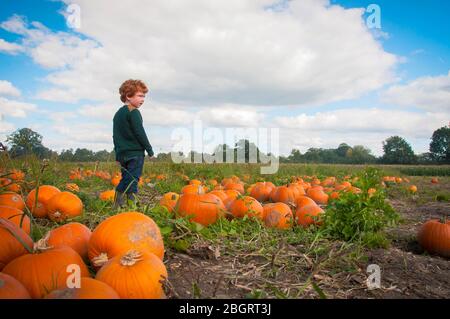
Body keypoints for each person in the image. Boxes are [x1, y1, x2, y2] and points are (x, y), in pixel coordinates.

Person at [112, 79, 154, 208]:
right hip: (135, 154)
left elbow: (115, 136)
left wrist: (118, 155)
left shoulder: (118, 114)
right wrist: (150, 150)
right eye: (140, 96)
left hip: (123, 154)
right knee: (133, 180)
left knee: (126, 178)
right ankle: (132, 205)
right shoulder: (134, 112)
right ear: (128, 96)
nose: (143, 99)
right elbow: (140, 133)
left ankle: (117, 203)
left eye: (144, 96)